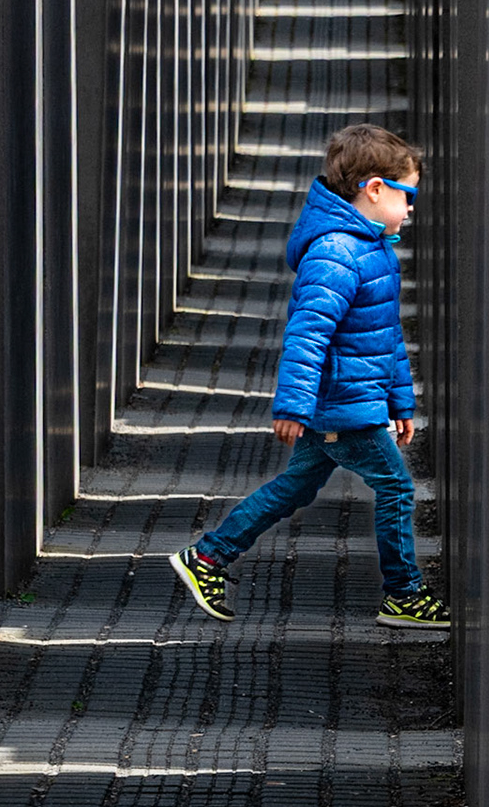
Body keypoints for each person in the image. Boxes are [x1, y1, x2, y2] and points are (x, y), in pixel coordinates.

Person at [168, 124, 451, 631]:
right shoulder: (337, 253)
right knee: (396, 488)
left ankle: (208, 557)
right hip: (340, 405)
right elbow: (307, 337)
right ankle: (404, 594)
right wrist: (293, 407)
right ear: (375, 189)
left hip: (352, 401)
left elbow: (383, 338)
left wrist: (400, 402)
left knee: (295, 487)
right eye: (407, 197)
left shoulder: (372, 248)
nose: (411, 210)